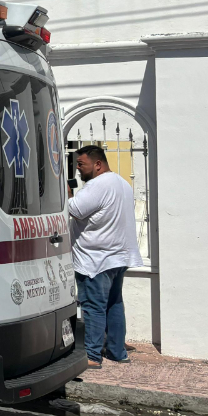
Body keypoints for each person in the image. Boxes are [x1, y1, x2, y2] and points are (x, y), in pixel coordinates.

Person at [67, 145, 142, 368]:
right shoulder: (122, 183)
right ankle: (118, 352)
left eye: (82, 164)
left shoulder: (98, 185)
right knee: (114, 303)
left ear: (97, 164)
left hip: (96, 259)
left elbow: (75, 210)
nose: (78, 170)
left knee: (93, 306)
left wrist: (67, 194)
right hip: (118, 256)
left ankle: (92, 355)